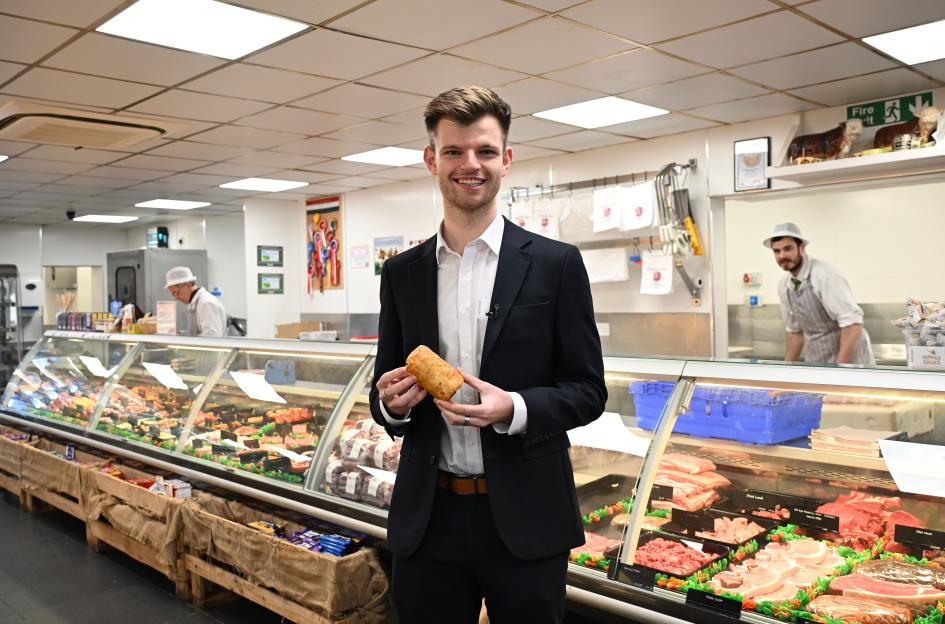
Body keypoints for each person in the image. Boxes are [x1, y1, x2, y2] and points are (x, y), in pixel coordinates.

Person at [369, 86, 607, 623]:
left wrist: (515, 409)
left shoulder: (556, 264)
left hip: (527, 517)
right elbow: (382, 390)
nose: (469, 164)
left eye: (484, 151)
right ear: (432, 159)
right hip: (429, 518)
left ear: (506, 159)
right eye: (453, 151)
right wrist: (392, 405)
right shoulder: (403, 273)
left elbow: (589, 390)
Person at [765, 223, 874, 366]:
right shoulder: (785, 285)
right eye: (777, 251)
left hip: (849, 364)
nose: (782, 256)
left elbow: (852, 324)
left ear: (802, 248)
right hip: (817, 362)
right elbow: (795, 332)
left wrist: (839, 369)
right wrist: (785, 371)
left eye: (788, 249)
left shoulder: (824, 275)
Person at [163, 266, 227, 337]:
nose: (176, 298)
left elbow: (213, 336)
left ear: (189, 285)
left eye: (177, 293)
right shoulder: (195, 302)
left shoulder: (206, 303)